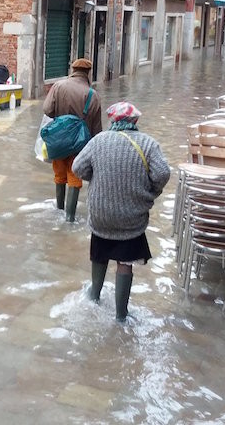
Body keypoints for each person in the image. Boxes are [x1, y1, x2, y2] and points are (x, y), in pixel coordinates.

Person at [72, 101, 170, 322]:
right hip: (131, 217)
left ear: (112, 120)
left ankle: (94, 296)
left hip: (101, 215)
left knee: (99, 254)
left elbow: (77, 168)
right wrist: (150, 192)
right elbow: (162, 174)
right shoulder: (148, 144)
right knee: (125, 263)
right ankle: (121, 315)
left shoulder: (98, 142)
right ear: (135, 121)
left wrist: (100, 181)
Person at [42, 58, 102, 222]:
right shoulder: (93, 95)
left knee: (59, 175)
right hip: (80, 146)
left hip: (59, 142)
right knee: (74, 178)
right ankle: (69, 219)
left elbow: (47, 110)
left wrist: (62, 119)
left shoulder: (58, 86)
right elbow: (97, 130)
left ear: (73, 70)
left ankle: (58, 210)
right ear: (88, 73)